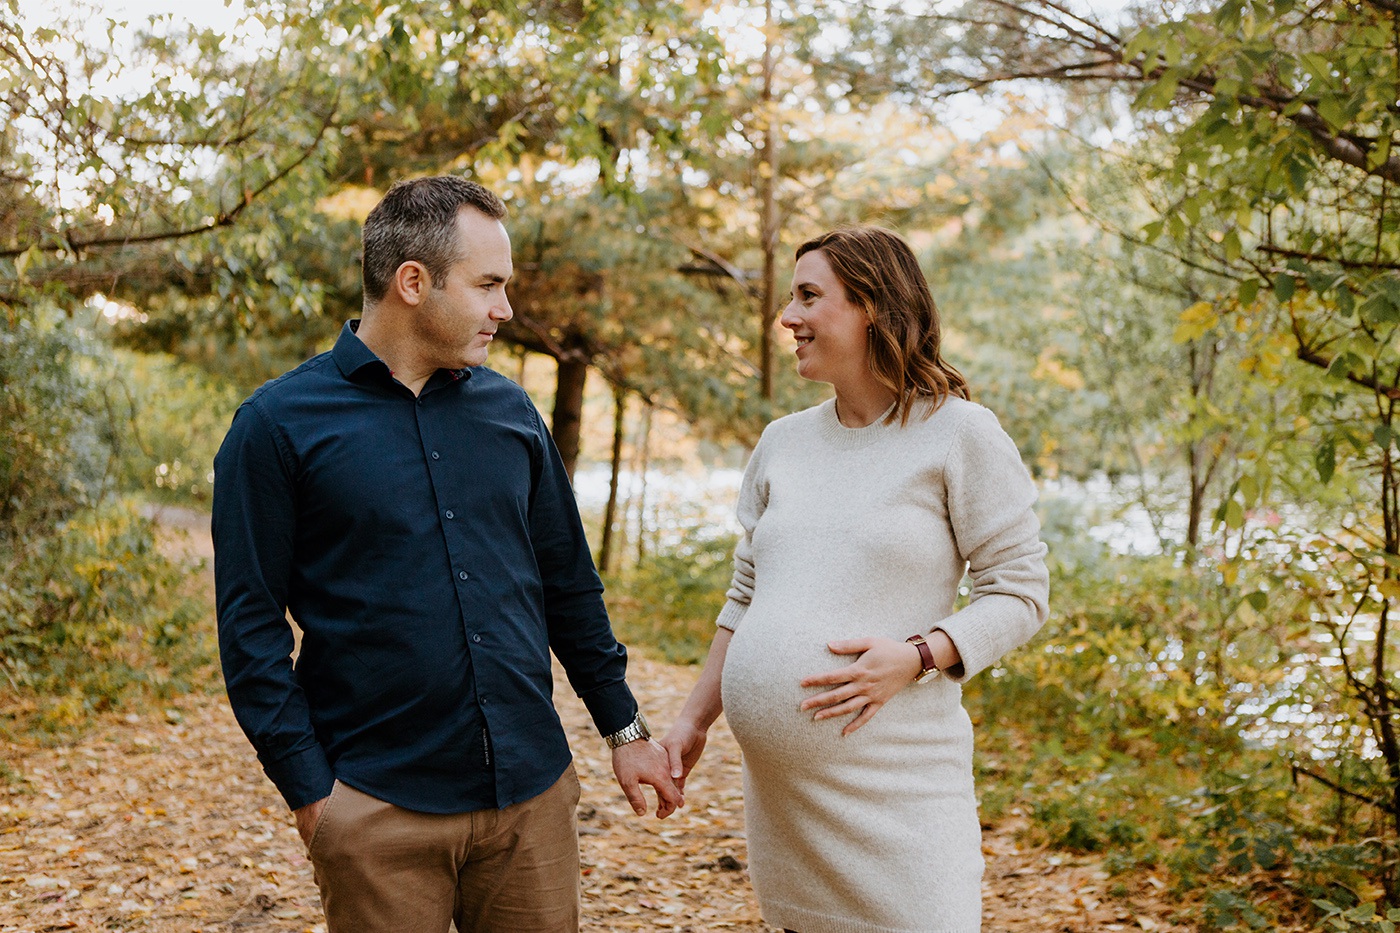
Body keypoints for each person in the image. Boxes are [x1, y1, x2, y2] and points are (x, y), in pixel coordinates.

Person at [212, 175, 682, 933]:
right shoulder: (275, 427)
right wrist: (314, 797)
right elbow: (251, 628)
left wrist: (623, 730)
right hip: (376, 809)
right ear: (412, 282)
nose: (506, 309)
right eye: (488, 285)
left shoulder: (512, 412)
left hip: (531, 803)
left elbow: (568, 584)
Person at [659, 225, 1049, 933]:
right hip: (787, 816)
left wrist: (922, 653)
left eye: (810, 296)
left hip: (900, 798)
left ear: (873, 306)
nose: (788, 317)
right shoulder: (783, 442)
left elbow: (1020, 592)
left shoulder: (961, 434)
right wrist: (693, 719)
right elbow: (745, 596)